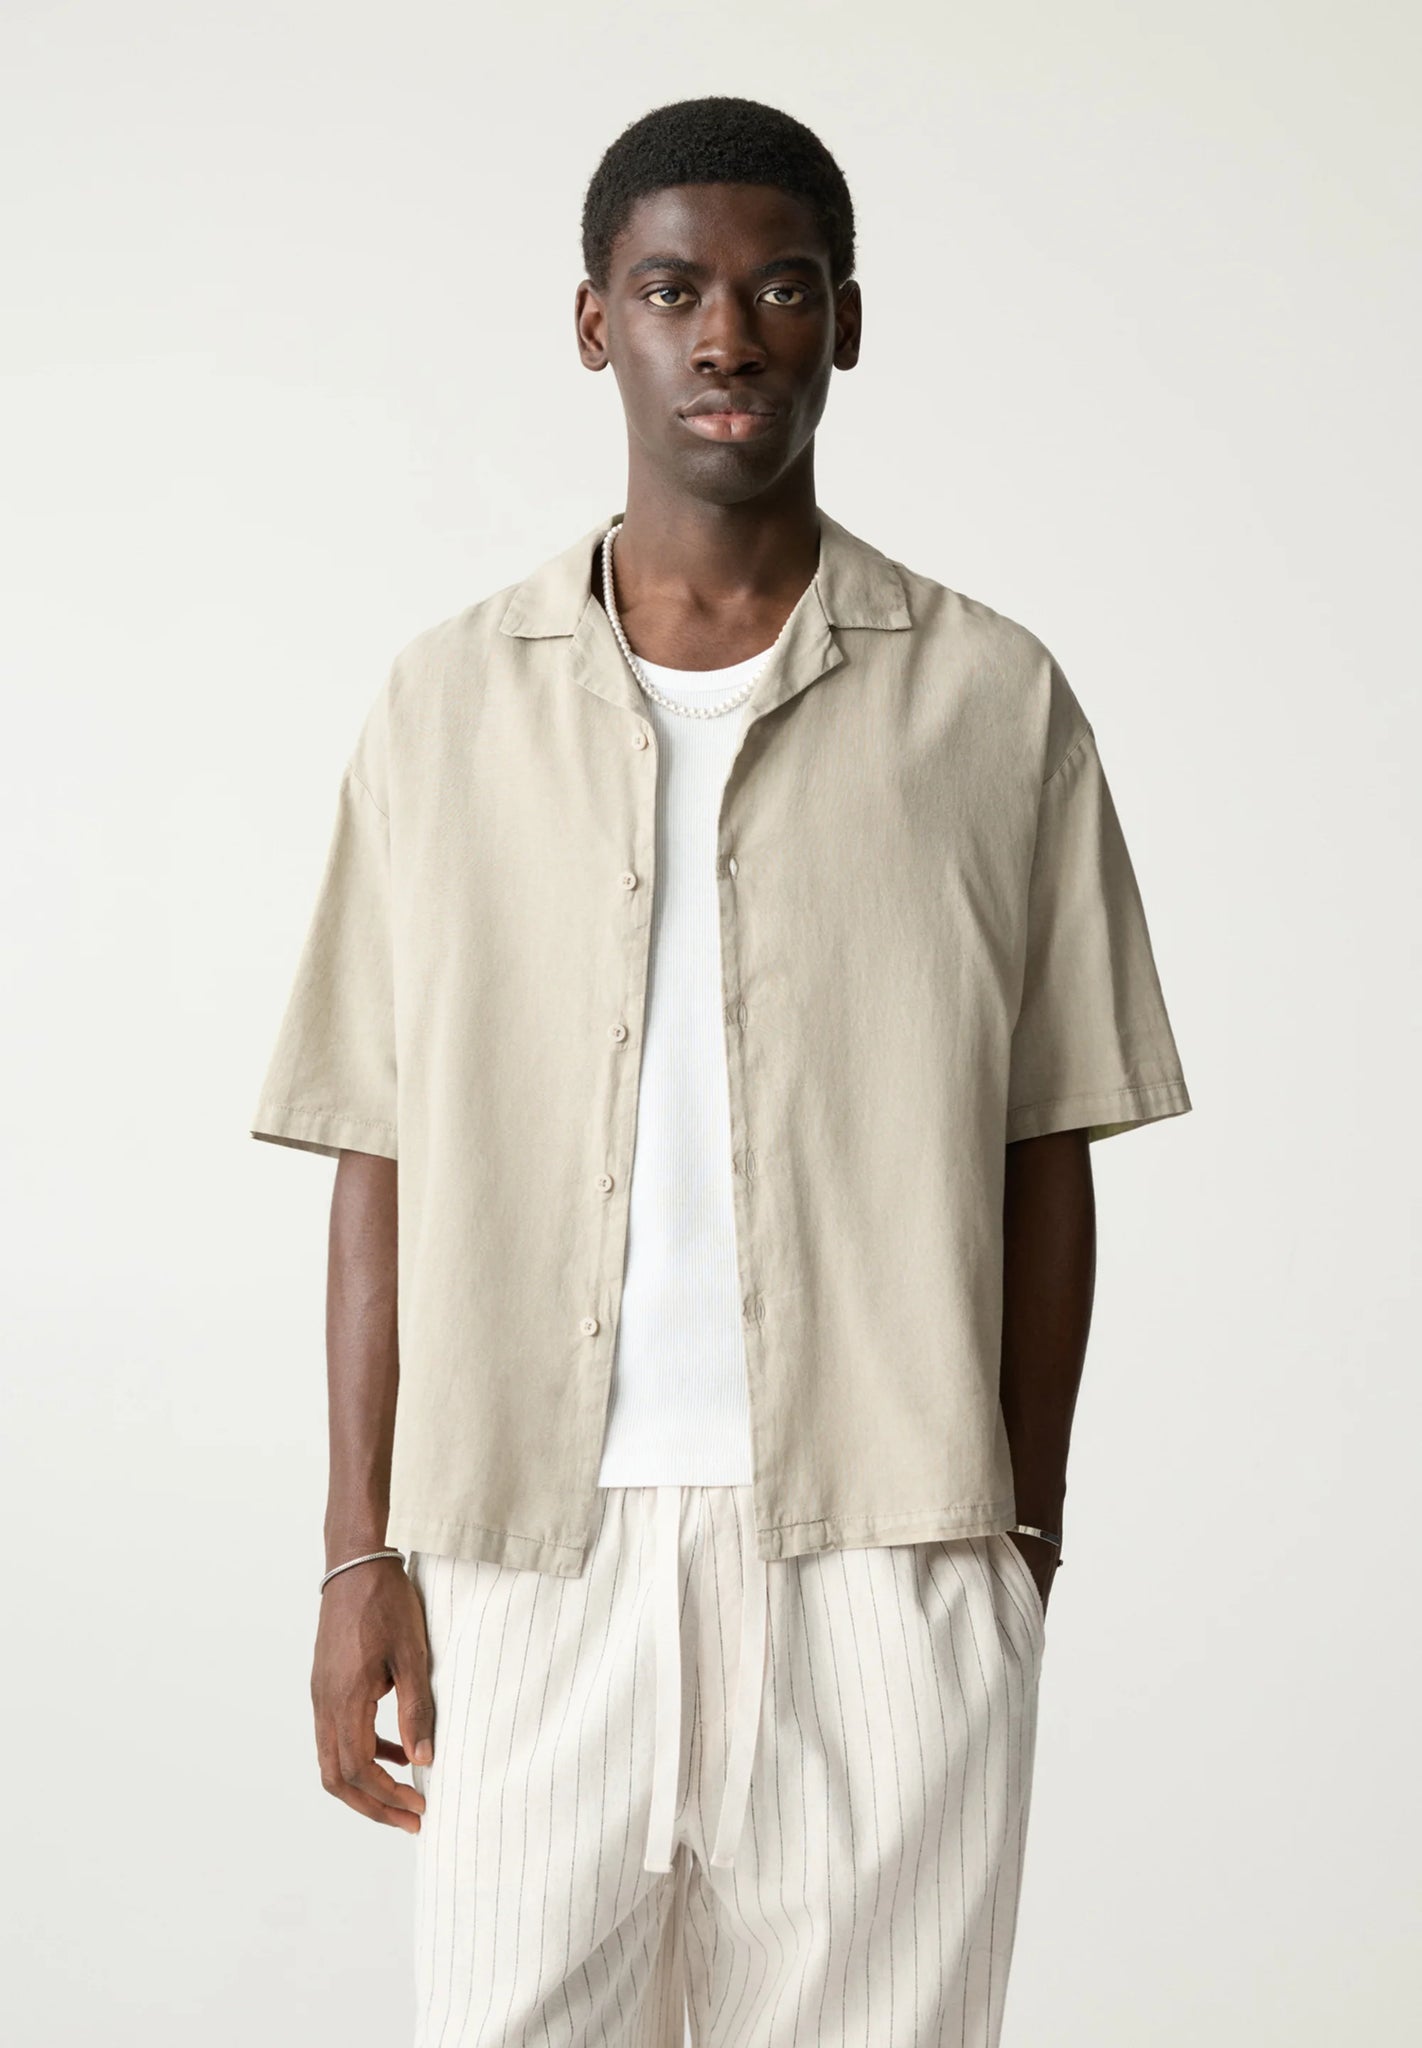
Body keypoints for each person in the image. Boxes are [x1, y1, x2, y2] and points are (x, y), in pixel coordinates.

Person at [249, 94, 1192, 2048]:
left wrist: (1019, 1541)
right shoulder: (445, 704)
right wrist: (357, 1554)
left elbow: (1048, 1143)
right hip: (525, 1556)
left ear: (847, 322)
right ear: (595, 322)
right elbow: (378, 1151)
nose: (728, 336)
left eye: (780, 289)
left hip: (889, 1551)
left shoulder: (991, 700)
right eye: (675, 289)